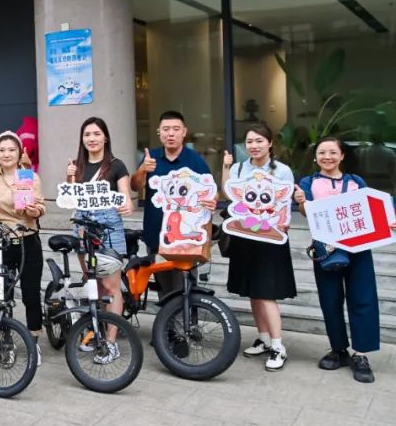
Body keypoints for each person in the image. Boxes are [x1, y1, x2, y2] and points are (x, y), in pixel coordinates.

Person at [293, 137, 390, 383]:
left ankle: (361, 354)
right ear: (316, 156)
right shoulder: (308, 183)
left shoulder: (356, 181)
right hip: (325, 249)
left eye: (332, 152)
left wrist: (387, 221)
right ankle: (338, 350)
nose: (327, 157)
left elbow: (370, 211)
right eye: (322, 152)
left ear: (342, 155)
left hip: (359, 249)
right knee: (330, 300)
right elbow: (306, 213)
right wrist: (302, 203)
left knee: (363, 299)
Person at [221, 123, 296, 371]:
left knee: (266, 292)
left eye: (259, 141)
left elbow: (284, 204)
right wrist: (225, 168)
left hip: (270, 238)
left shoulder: (282, 170)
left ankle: (278, 346)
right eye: (249, 141)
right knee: (254, 291)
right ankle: (263, 339)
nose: (254, 146)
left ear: (270, 143)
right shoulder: (239, 168)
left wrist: (282, 224)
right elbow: (230, 195)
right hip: (245, 237)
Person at [130, 110, 216, 297]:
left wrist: (212, 201)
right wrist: (143, 170)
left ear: (184, 132)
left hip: (186, 238)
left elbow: (211, 189)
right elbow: (135, 187)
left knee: (185, 287)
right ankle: (167, 317)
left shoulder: (194, 159)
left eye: (176, 129)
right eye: (166, 129)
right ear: (159, 132)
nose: (171, 134)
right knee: (165, 288)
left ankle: (187, 317)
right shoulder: (151, 157)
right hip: (157, 235)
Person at [66, 117, 134, 348]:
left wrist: (127, 204)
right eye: (87, 134)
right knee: (94, 283)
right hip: (83, 228)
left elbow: (126, 196)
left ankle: (111, 341)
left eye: (96, 134)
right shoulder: (76, 166)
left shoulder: (117, 165)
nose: (92, 138)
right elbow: (69, 198)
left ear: (105, 137)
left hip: (109, 228)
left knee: (112, 287)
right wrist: (69, 176)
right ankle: (98, 331)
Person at [0, 132, 46, 354]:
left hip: (28, 239)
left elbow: (41, 207)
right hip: (2, 241)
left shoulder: (30, 177)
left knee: (31, 293)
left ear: (19, 152)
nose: (7, 154)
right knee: (3, 293)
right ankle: (5, 336)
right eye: (2, 150)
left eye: (11, 150)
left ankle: (34, 340)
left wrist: (34, 210)